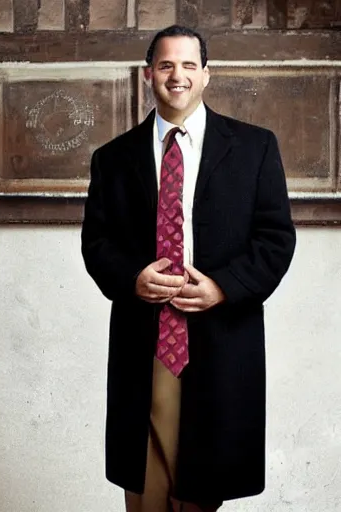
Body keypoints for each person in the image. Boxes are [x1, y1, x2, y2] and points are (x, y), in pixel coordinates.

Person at [81, 25, 296, 512]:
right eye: (165, 65)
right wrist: (132, 278)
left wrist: (224, 288)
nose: (177, 76)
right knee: (145, 486)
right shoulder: (113, 159)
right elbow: (97, 243)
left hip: (220, 335)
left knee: (203, 483)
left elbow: (276, 239)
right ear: (147, 75)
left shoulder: (255, 147)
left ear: (206, 75)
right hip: (146, 335)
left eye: (188, 65)